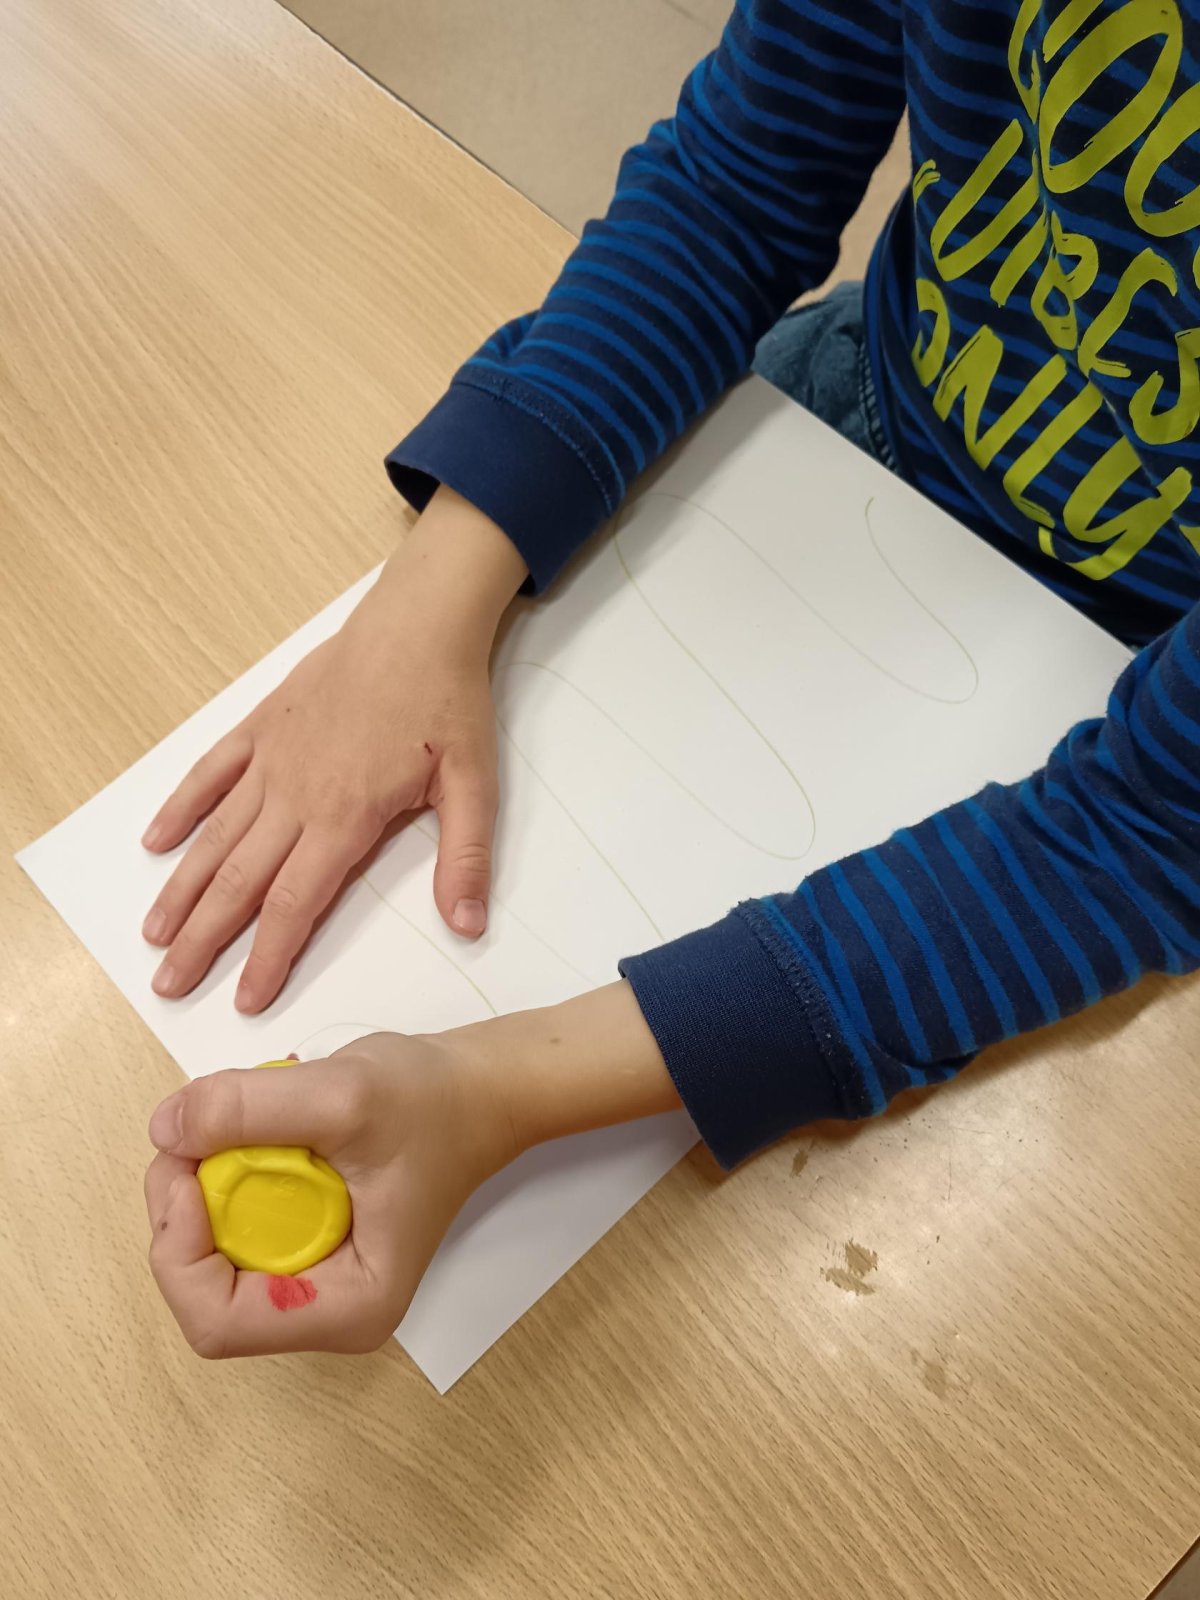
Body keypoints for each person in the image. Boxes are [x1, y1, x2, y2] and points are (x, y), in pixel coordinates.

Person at [145, 0, 1200, 1357]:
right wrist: (431, 592)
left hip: (1135, 676)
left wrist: (493, 1094)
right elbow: (743, 180)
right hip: (861, 412)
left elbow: (1149, 830)